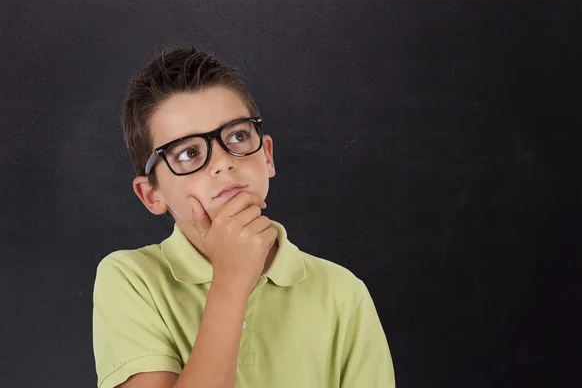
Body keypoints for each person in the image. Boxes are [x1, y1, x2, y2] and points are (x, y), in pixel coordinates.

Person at [92, 47, 395, 388]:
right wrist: (232, 280)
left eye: (237, 136)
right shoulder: (132, 279)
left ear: (267, 155)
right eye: (189, 153)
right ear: (152, 195)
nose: (222, 161)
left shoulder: (342, 293)